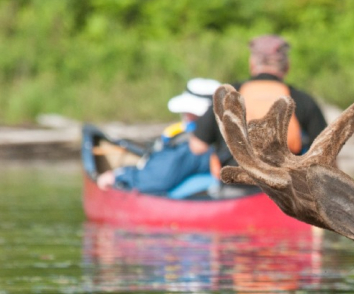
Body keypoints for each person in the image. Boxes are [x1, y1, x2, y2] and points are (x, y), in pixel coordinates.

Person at [189, 34, 327, 196]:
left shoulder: (229, 95)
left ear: (252, 64)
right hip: (285, 193)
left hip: (234, 191)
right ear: (287, 66)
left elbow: (197, 147)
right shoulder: (302, 100)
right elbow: (325, 155)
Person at [97, 78, 221, 197]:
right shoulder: (226, 137)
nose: (184, 115)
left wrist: (119, 176)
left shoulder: (191, 145)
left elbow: (157, 179)